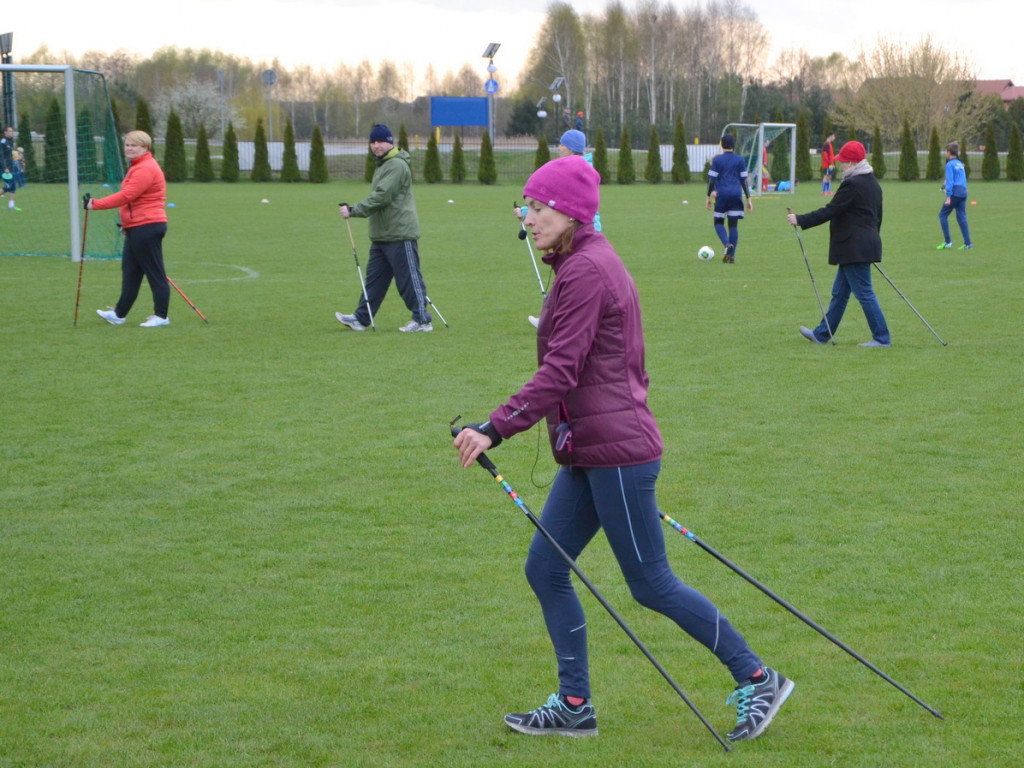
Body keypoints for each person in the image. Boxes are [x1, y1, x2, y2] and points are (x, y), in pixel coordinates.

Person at [454, 155, 794, 742]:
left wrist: (494, 426)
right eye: (527, 208)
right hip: (593, 449)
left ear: (568, 213)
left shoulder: (587, 271)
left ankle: (758, 676)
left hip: (617, 453)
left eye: (537, 209)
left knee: (651, 583)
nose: (527, 219)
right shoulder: (579, 262)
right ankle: (574, 704)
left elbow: (562, 371)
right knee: (546, 568)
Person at [787, 140, 890, 347]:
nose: (841, 165)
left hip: (855, 246)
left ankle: (882, 338)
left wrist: (801, 219)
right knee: (840, 294)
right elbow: (878, 217)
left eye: (843, 161)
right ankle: (822, 334)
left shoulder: (852, 184)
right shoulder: (872, 182)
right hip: (860, 245)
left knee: (864, 293)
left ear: (852, 163)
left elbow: (831, 210)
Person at [336, 124, 432, 333]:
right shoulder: (383, 165)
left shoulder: (396, 165)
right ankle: (361, 318)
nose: (377, 146)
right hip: (382, 235)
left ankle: (422, 320)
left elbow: (382, 196)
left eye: (381, 141)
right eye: (373, 142)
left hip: (399, 232)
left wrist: (354, 210)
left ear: (390, 142)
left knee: (408, 280)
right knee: (374, 282)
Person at [517, 129, 602, 328]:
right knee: (567, 277)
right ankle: (552, 318)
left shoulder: (575, 171)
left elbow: (560, 205)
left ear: (571, 148)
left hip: (578, 232)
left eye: (562, 145)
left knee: (569, 277)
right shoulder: (581, 167)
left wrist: (524, 210)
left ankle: (554, 320)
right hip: (584, 230)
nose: (559, 148)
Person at [88, 130, 171, 327]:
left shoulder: (145, 168)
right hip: (138, 227)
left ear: (145, 147)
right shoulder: (137, 166)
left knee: (155, 273)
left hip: (147, 226)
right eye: (127, 145)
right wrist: (127, 225)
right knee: (131, 271)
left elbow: (126, 196)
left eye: (134, 145)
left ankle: (161, 316)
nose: (129, 148)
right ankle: (119, 314)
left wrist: (95, 204)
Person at [706, 133, 752, 264]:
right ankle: (732, 257)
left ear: (722, 145)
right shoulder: (740, 160)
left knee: (718, 222)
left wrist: (708, 196)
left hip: (722, 194)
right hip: (736, 194)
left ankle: (727, 244)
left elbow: (711, 179)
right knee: (733, 224)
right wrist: (749, 199)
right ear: (734, 145)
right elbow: (744, 180)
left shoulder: (717, 160)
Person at [937, 141, 972, 251]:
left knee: (942, 215)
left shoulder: (950, 164)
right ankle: (968, 244)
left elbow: (951, 181)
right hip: (963, 192)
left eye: (946, 151)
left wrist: (948, 197)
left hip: (955, 193)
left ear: (949, 152)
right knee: (962, 217)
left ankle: (948, 242)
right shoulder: (959, 163)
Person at [1, 126, 20, 211]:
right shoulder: (3, 142)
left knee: (13, 186)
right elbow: (1, 157)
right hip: (4, 169)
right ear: (5, 132)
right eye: (9, 131)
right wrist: (5, 167)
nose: (11, 133)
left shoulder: (10, 142)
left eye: (12, 131)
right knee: (8, 186)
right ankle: (11, 206)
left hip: (10, 167)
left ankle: (11, 206)